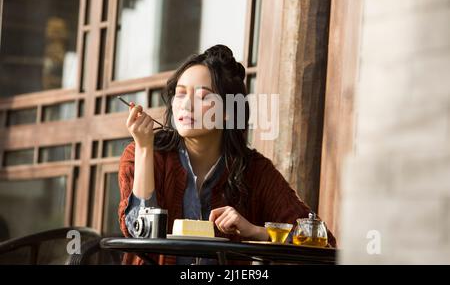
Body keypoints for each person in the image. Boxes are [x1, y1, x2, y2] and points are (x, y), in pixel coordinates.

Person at [118, 45, 336, 265]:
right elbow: (139, 233)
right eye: (180, 93)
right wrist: (144, 148)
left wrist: (254, 232)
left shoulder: (254, 170)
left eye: (202, 97)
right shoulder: (143, 153)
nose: (186, 105)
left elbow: (322, 241)